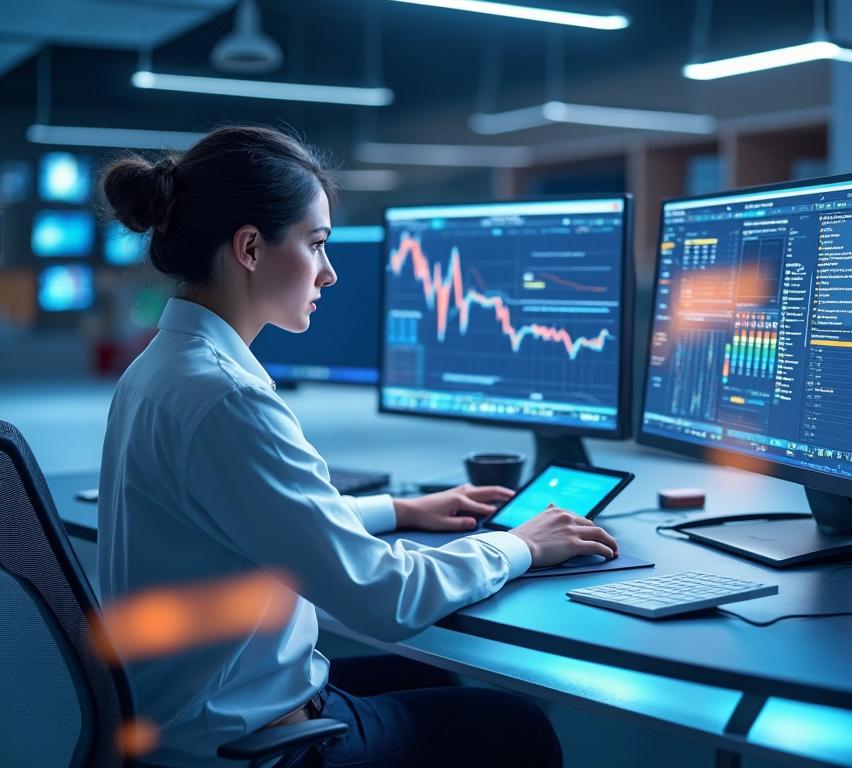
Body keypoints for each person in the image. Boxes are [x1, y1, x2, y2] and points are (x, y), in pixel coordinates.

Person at [97, 125, 618, 768]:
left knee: (435, 689)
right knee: (515, 727)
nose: (330, 272)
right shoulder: (228, 397)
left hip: (180, 718)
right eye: (316, 245)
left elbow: (257, 520)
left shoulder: (162, 368)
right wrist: (519, 545)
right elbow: (384, 599)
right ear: (251, 249)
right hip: (241, 746)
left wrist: (400, 511)